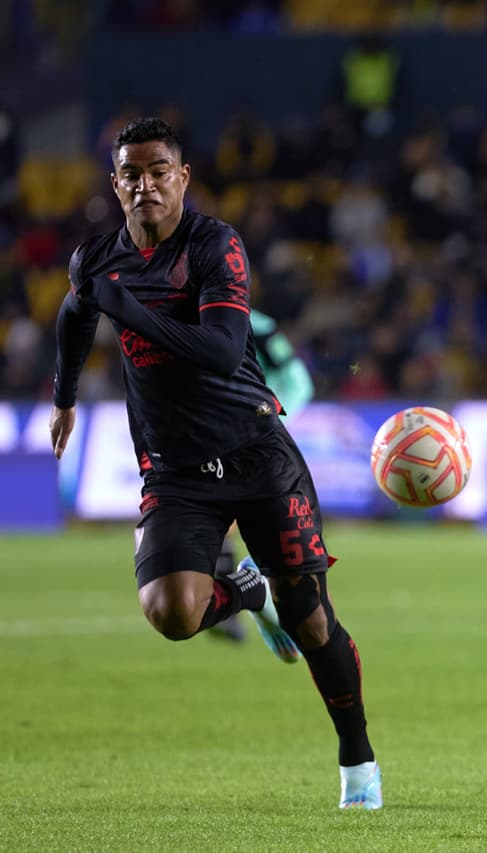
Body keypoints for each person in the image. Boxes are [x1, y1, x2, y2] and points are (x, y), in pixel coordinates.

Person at [49, 117, 381, 810]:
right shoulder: (98, 259)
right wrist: (65, 395)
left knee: (312, 618)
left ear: (183, 177)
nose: (145, 184)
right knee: (170, 612)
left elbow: (223, 350)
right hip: (174, 465)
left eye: (158, 170)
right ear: (116, 184)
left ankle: (358, 761)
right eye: (131, 174)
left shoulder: (214, 245)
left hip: (257, 450)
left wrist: (128, 310)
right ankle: (248, 594)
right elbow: (76, 315)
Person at [209, 308, 316, 643]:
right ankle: (254, 593)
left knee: (236, 512)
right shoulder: (180, 313)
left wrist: (271, 416)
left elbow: (298, 379)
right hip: (211, 426)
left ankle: (259, 594)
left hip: (254, 427)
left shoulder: (257, 325)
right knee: (223, 512)